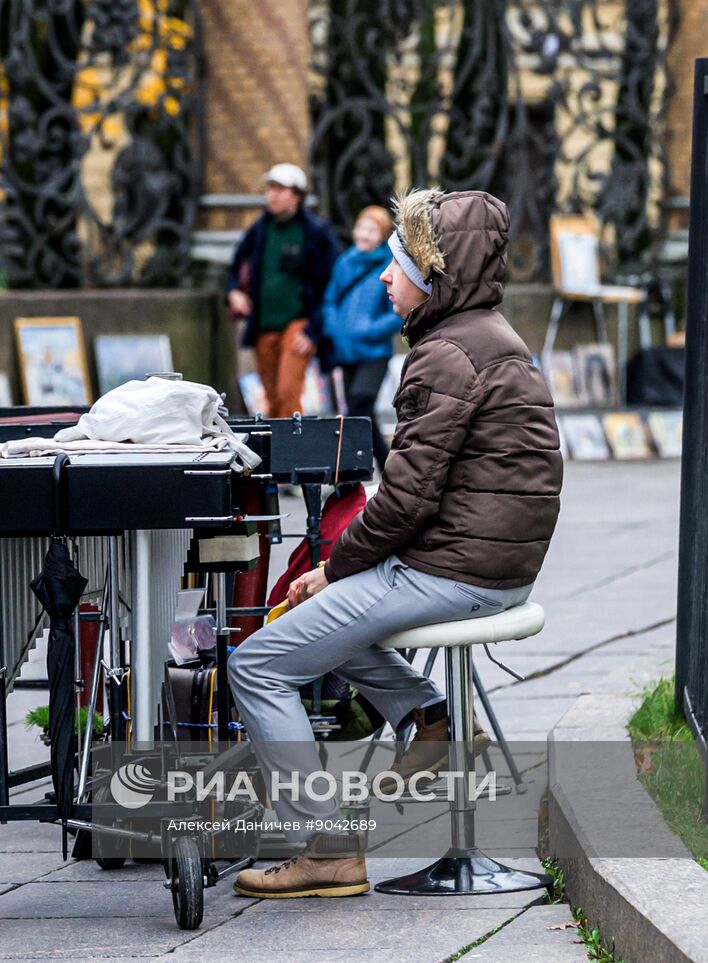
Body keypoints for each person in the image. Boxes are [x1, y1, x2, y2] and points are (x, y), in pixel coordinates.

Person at [228, 188, 563, 898]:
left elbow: (405, 501)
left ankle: (325, 846)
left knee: (258, 662)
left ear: (435, 273)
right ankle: (427, 715)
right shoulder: (496, 336)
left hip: (455, 570)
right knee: (331, 627)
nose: (384, 276)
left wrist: (332, 568)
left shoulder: (443, 354)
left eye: (398, 262)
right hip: (500, 567)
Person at [226, 163, 339, 418]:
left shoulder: (316, 231)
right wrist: (233, 292)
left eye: (280, 189)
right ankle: (277, 454)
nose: (272, 195)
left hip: (299, 325)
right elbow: (236, 265)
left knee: (288, 392)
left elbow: (332, 283)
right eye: (270, 188)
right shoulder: (260, 228)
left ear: (297, 196)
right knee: (271, 397)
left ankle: (293, 453)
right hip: (263, 325)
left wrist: (314, 330)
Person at [314, 205, 396, 469]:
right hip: (346, 350)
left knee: (361, 399)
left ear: (381, 235)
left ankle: (352, 466)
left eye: (371, 230)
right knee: (361, 414)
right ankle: (386, 464)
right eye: (361, 227)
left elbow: (396, 311)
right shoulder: (345, 261)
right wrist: (334, 328)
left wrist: (370, 329)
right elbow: (330, 300)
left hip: (374, 351)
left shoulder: (389, 264)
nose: (363, 234)